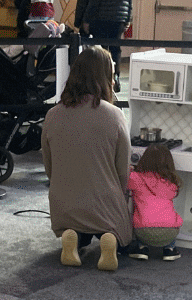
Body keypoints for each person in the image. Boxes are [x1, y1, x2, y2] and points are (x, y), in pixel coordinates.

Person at [41, 46, 132, 271]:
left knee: (76, 221)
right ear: (106, 77)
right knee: (120, 227)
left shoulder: (52, 115)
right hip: (104, 205)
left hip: (64, 204)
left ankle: (72, 236)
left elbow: (49, 166)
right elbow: (123, 171)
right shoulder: (114, 115)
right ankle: (109, 237)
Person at [127, 143, 183, 261]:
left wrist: (130, 170)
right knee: (171, 217)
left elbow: (125, 182)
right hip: (169, 232)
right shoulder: (172, 182)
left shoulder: (136, 177)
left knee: (142, 217)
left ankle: (142, 248)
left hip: (143, 231)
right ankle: (170, 249)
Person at [73, 0, 131, 93]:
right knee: (115, 49)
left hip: (101, 16)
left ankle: (102, 81)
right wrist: (127, 19)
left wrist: (83, 21)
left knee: (100, 51)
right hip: (119, 17)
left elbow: (92, 2)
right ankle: (115, 77)